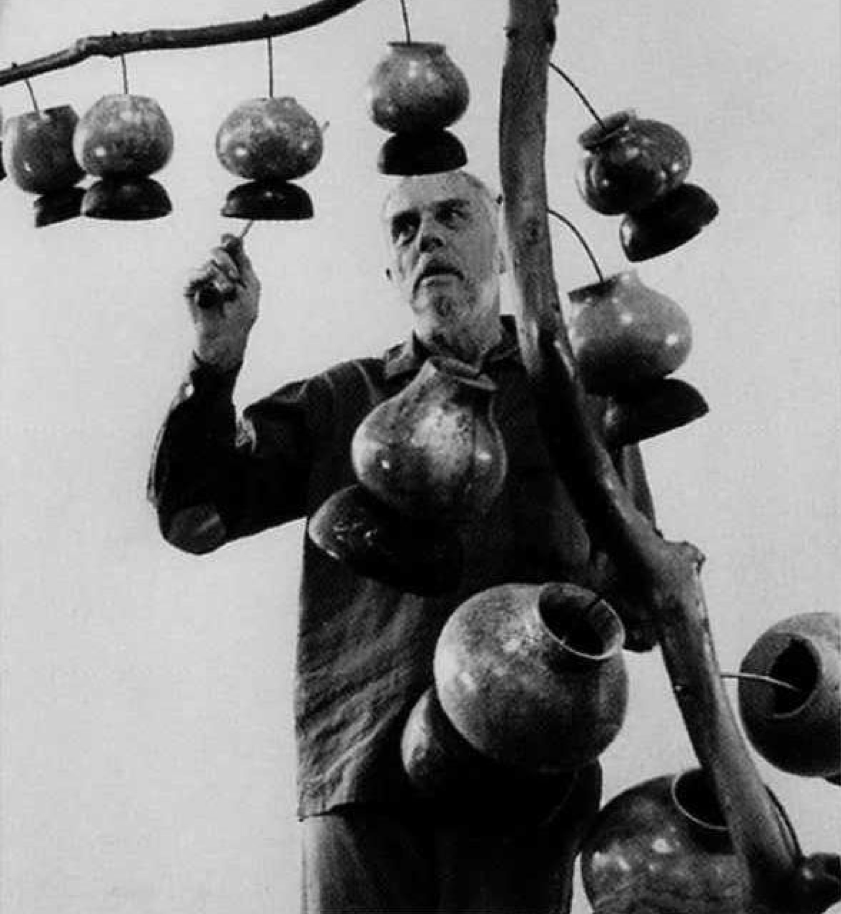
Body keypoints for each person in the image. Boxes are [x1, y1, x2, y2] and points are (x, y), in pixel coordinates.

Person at [148, 168, 655, 914]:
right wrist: (213, 361)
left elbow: (635, 603)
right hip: (361, 769)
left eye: (452, 215)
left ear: (509, 244)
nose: (427, 238)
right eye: (405, 227)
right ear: (392, 271)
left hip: (523, 778)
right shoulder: (339, 403)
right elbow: (193, 518)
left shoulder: (580, 399)